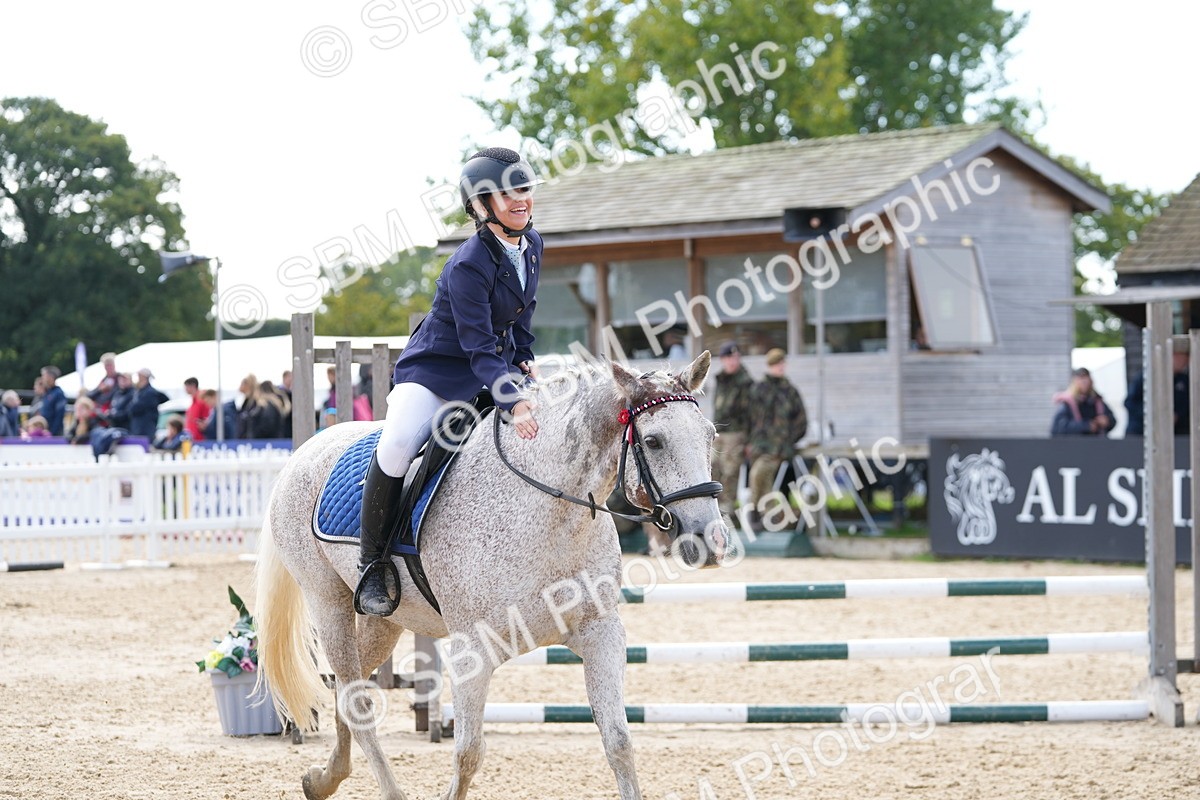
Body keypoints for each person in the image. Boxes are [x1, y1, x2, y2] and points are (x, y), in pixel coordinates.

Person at [355, 147, 542, 617]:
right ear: (481, 206)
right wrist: (513, 402)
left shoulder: (532, 245)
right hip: (435, 372)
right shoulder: (467, 264)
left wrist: (524, 359)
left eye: (524, 188)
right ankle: (372, 562)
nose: (520, 199)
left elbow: (521, 316)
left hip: (489, 371)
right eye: (507, 193)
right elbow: (478, 346)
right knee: (398, 445)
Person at [747, 349, 808, 527]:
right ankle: (769, 515)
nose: (780, 367)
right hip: (759, 446)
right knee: (763, 478)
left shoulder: (790, 391)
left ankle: (754, 511)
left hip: (779, 448)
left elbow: (801, 421)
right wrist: (749, 441)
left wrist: (788, 441)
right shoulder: (758, 389)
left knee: (758, 472)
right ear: (769, 366)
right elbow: (749, 418)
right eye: (776, 364)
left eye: (782, 363)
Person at [710, 341, 755, 523]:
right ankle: (712, 510)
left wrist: (750, 440)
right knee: (712, 469)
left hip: (737, 433)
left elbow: (753, 414)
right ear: (723, 359)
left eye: (736, 357)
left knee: (730, 472)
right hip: (720, 432)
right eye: (729, 358)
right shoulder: (721, 379)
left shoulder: (746, 382)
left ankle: (726, 512)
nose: (733, 361)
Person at [1125, 351, 1190, 436]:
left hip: (1176, 433)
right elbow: (1131, 403)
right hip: (1141, 432)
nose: (1184, 362)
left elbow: (1187, 404)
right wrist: (1155, 415)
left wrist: (1176, 415)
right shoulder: (1146, 376)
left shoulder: (1184, 380)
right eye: (1181, 358)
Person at [1051, 367, 1115, 437]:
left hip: (1097, 444)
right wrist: (1085, 426)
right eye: (1081, 379)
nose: (1084, 382)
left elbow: (1113, 420)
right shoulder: (1067, 403)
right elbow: (1059, 427)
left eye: (1086, 378)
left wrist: (1107, 421)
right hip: (1075, 445)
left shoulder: (1097, 402)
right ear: (1075, 382)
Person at [128, 368, 169, 439]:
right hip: (140, 428)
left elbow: (135, 408)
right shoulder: (140, 391)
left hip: (145, 429)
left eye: (139, 376)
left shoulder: (149, 393)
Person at [39, 366, 67, 436]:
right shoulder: (47, 393)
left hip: (54, 434)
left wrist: (52, 433)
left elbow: (59, 415)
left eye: (44, 376)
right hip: (46, 433)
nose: (42, 379)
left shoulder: (58, 393)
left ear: (50, 377)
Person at [183, 377, 209, 441]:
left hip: (199, 439)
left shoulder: (201, 400)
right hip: (192, 438)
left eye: (186, 387)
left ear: (193, 386)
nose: (185, 389)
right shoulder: (193, 402)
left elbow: (207, 418)